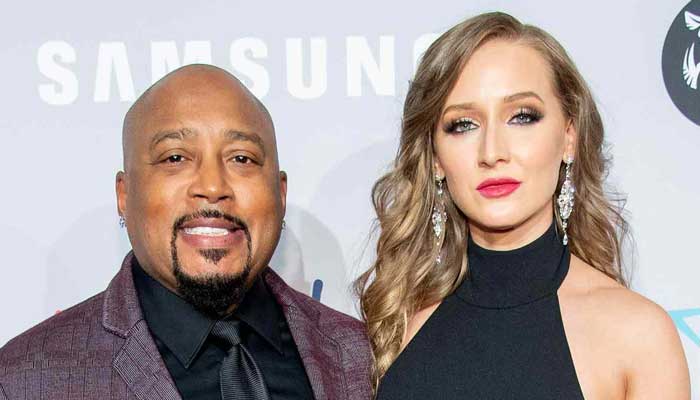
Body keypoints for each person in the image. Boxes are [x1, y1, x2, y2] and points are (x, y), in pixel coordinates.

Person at [355, 12, 690, 400]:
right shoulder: (397, 321)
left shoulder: (637, 335)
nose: (492, 152)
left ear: (568, 137)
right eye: (463, 124)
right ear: (434, 157)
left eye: (522, 117)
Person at [0, 65, 372, 400]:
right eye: (175, 158)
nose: (212, 186)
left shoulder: (365, 358)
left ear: (281, 192)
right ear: (124, 195)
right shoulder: (25, 380)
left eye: (241, 158)